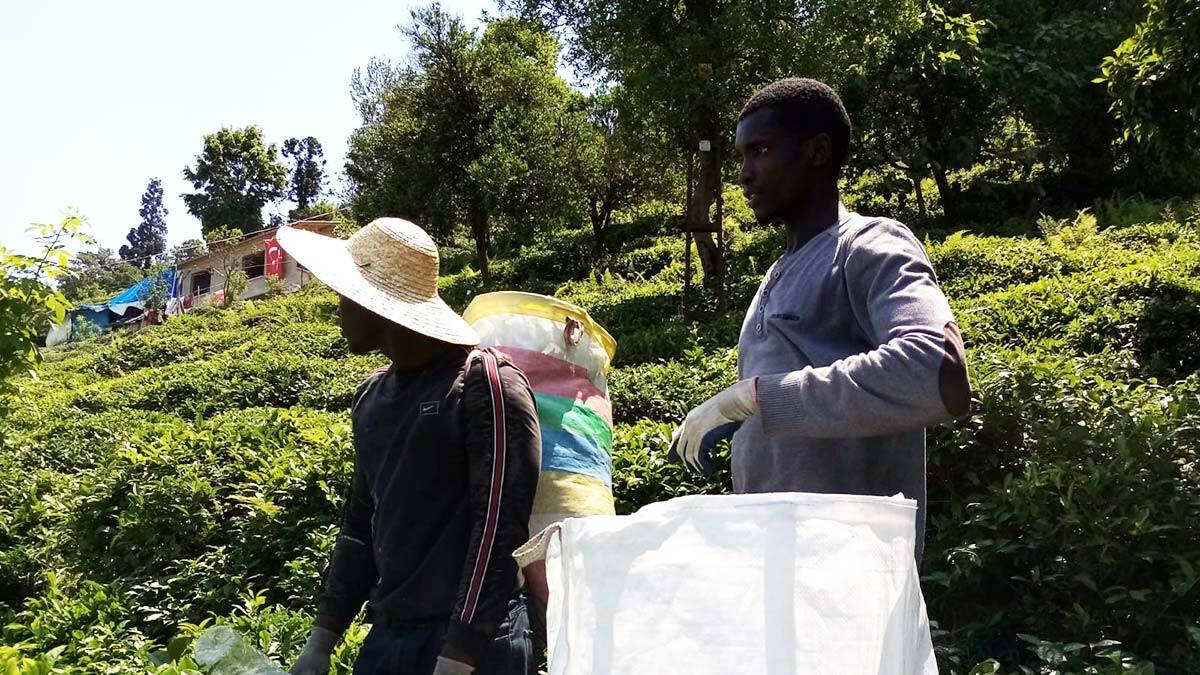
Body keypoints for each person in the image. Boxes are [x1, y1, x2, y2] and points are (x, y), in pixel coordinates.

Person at [671, 78, 970, 562]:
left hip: (848, 568)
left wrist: (752, 398)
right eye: (741, 156)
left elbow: (937, 371)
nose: (745, 174)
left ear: (817, 151)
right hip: (777, 559)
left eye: (761, 150)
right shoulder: (778, 270)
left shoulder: (868, 246)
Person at [278, 218, 541, 675]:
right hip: (391, 633)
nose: (337, 307)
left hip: (476, 643)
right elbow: (361, 526)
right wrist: (322, 638)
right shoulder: (371, 398)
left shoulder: (486, 384)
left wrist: (458, 657)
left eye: (344, 295)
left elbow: (499, 530)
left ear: (373, 304)